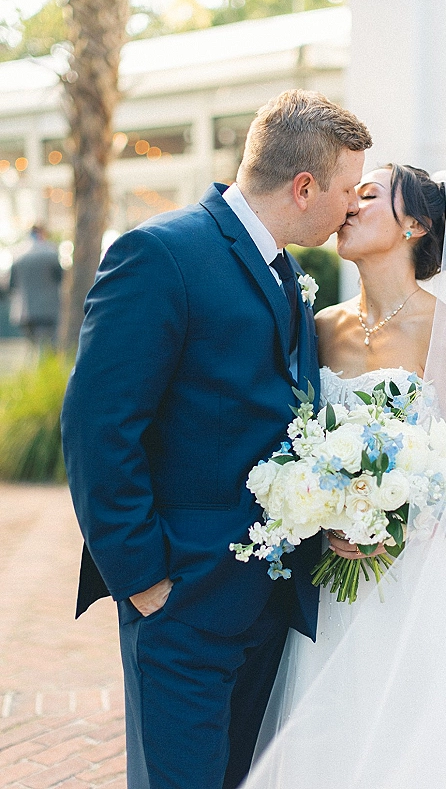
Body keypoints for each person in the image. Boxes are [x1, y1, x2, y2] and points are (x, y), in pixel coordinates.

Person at [60, 89, 372, 789]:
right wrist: (143, 578)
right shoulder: (160, 255)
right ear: (303, 186)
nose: (353, 205)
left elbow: (275, 423)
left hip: (265, 606)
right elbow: (96, 425)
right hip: (184, 601)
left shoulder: (289, 273)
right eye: (348, 189)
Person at [242, 165, 446, 789]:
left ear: (415, 225)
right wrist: (325, 505)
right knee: (333, 737)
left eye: (367, 196)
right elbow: (300, 437)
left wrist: (395, 522)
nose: (350, 205)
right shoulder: (318, 327)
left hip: (424, 579)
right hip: (337, 582)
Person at [9, 223, 62, 347]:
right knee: (49, 345)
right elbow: (61, 278)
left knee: (33, 345)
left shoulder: (18, 254)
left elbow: (12, 284)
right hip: (49, 308)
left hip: (25, 310)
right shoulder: (51, 253)